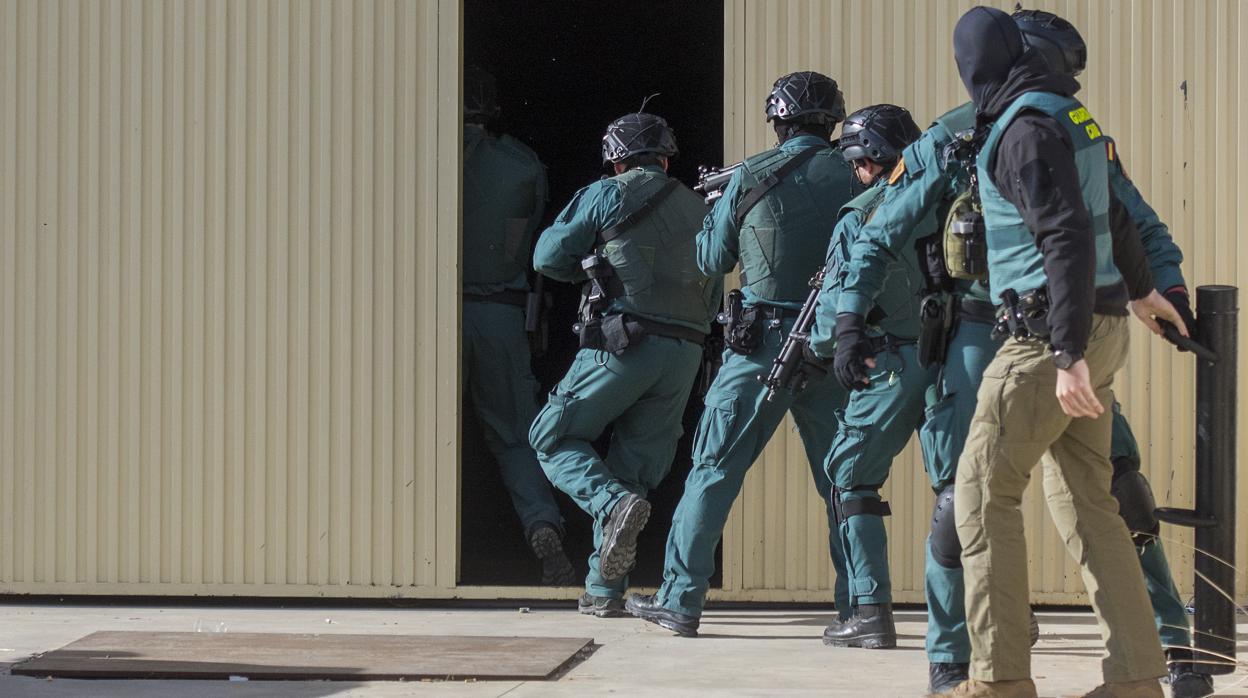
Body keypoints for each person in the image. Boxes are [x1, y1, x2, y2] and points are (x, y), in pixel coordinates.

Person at [945, 7, 1185, 697]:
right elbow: (1110, 211)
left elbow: (1067, 234)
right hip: (1098, 328)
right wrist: (1140, 292)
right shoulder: (1069, 118)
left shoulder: (1022, 129)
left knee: (983, 496)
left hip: (1045, 340)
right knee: (1089, 501)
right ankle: (1137, 675)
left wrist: (1066, 350)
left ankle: (999, 682)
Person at [1013, 10, 1210, 697]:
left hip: (1071, 334)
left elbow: (1129, 217)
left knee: (1114, 483)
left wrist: (1167, 286)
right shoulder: (965, 134)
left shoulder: (1075, 132)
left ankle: (1164, 642)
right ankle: (976, 656)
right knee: (966, 504)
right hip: (980, 343)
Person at [626, 71, 856, 637]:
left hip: (762, 347)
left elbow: (710, 260)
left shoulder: (752, 173)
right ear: (832, 120)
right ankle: (860, 606)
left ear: (777, 119)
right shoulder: (855, 174)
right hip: (831, 343)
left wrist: (719, 206)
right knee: (846, 481)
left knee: (714, 468)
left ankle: (682, 600)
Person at [528, 111, 721, 618]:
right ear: (665, 155)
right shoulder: (702, 207)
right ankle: (603, 590)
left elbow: (547, 257)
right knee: (633, 468)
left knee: (551, 436)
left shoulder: (606, 193)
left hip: (624, 343)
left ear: (616, 157)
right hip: (684, 354)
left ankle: (609, 503)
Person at [809, 104, 927, 650]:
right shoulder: (947, 198)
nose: (856, 172)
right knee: (966, 487)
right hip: (961, 359)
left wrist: (817, 344)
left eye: (858, 161)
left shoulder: (861, 216)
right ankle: (1007, 613)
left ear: (875, 159)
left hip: (892, 367)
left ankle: (871, 614)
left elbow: (833, 314)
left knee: (850, 476)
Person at [460, 66, 574, 586]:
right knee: (514, 437)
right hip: (500, 314)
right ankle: (542, 528)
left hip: (426, 313)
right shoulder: (521, 165)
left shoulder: (419, 153)